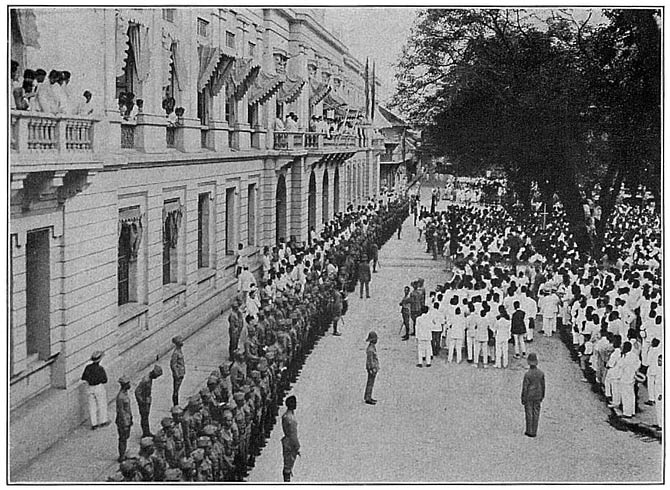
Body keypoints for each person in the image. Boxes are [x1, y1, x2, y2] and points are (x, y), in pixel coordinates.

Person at [81, 350, 109, 430]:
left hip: (90, 387)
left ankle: (94, 424)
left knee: (92, 405)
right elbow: (105, 380)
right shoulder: (100, 369)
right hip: (98, 387)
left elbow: (83, 377)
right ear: (99, 360)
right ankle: (103, 421)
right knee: (101, 404)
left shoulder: (88, 368)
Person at [135, 365, 163, 438]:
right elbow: (137, 391)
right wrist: (141, 401)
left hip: (147, 399)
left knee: (146, 417)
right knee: (144, 417)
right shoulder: (146, 380)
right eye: (156, 376)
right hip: (144, 401)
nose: (156, 378)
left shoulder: (149, 378)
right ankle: (145, 433)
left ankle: (147, 432)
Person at [521, 352, 545, 437]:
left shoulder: (527, 374)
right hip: (538, 395)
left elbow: (525, 387)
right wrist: (542, 395)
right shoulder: (541, 373)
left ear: (528, 362)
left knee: (529, 413)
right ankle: (534, 431)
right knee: (536, 412)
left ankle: (529, 430)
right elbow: (543, 385)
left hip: (529, 396)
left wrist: (523, 398)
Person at [281, 395, 300, 482]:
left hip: (287, 441)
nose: (296, 404)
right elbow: (293, 434)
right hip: (290, 443)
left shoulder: (286, 415)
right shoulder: (290, 418)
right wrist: (297, 446)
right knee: (288, 465)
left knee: (287, 464)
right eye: (294, 403)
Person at [115, 376, 133, 462]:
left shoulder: (125, 394)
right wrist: (125, 422)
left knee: (125, 437)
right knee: (122, 438)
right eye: (127, 383)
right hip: (123, 421)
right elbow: (121, 411)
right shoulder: (120, 397)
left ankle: (124, 452)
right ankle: (121, 456)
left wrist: (131, 418)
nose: (129, 385)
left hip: (127, 418)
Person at [364, 330, 379, 405]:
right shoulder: (370, 349)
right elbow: (370, 360)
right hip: (371, 368)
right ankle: (368, 398)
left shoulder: (372, 347)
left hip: (373, 368)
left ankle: (368, 396)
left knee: (371, 383)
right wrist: (372, 368)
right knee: (370, 383)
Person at [170, 335, 186, 406]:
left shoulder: (179, 351)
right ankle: (175, 405)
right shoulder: (176, 353)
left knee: (177, 390)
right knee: (176, 391)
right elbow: (173, 365)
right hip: (178, 374)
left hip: (181, 373)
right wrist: (177, 374)